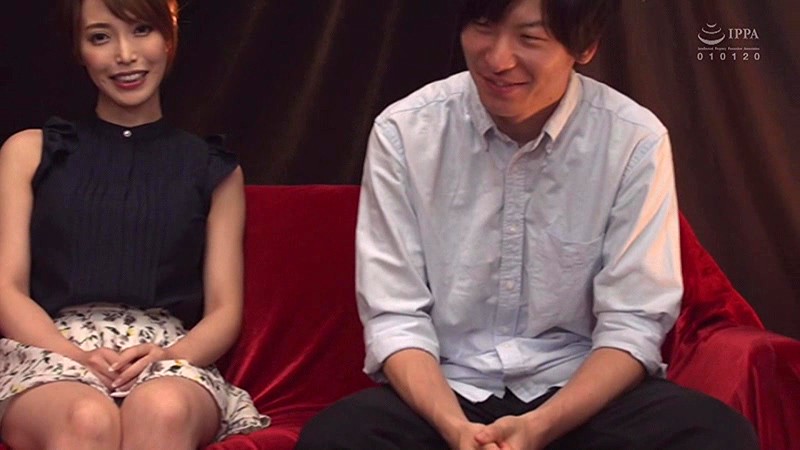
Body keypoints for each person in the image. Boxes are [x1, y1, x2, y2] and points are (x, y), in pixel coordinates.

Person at [296, 0, 759, 449]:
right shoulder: (403, 131)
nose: (498, 59)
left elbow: (632, 323)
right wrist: (456, 430)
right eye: (482, 26)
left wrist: (538, 429)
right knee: (335, 438)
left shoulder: (633, 139)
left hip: (580, 394)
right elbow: (396, 316)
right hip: (447, 390)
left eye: (530, 37)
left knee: (715, 434)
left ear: (585, 46)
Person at [0, 0, 269, 447]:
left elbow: (225, 310)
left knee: (162, 409)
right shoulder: (30, 151)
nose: (125, 55)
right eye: (100, 37)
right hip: (52, 348)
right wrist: (74, 355)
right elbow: (7, 288)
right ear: (79, 50)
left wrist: (169, 355)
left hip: (167, 355)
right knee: (86, 417)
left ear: (169, 37)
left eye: (142, 30)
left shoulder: (212, 167)